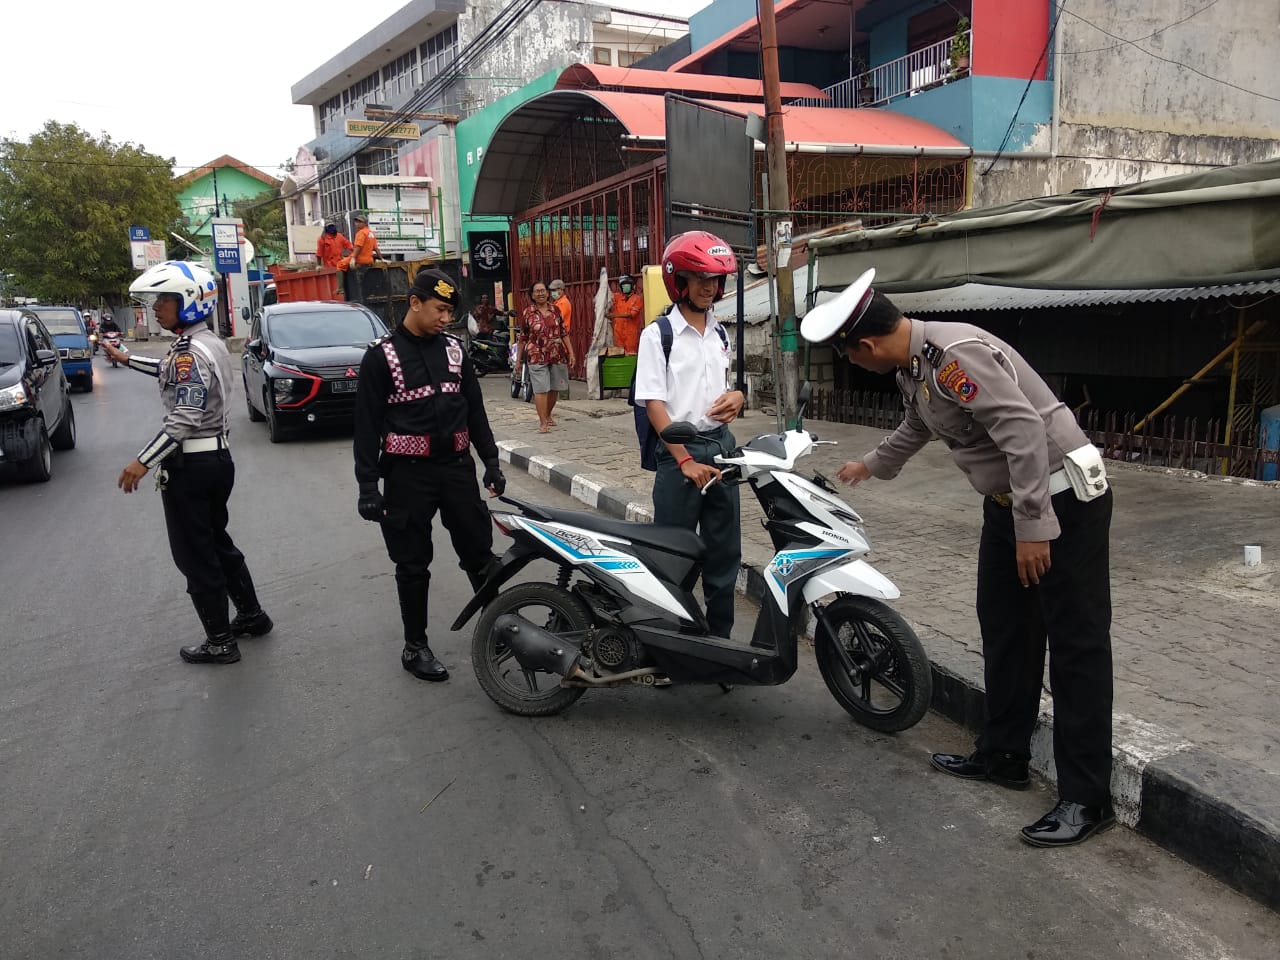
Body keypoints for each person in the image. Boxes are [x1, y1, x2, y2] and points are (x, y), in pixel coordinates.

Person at [803, 270, 1115, 848]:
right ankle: (1004, 756)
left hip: (1060, 501)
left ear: (865, 347)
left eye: (851, 357)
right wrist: (869, 465)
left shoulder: (954, 356)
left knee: (1076, 645)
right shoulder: (915, 366)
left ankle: (1087, 797)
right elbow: (921, 422)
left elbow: (1022, 429)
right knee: (1006, 630)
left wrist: (1033, 526)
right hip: (1012, 507)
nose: (858, 366)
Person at [101, 261, 273, 665]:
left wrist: (142, 462)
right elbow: (168, 371)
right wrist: (127, 360)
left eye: (164, 300)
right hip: (215, 460)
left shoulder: (189, 353)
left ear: (189, 303)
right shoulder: (205, 343)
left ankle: (220, 642)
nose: (157, 308)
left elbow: (185, 417)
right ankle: (251, 615)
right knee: (216, 541)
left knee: (196, 555)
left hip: (192, 468)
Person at [352, 268, 506, 682]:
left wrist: (490, 462)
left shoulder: (456, 351)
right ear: (414, 302)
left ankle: (501, 630)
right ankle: (415, 646)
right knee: (413, 563)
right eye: (439, 309)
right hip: (407, 476)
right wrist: (368, 486)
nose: (445, 318)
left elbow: (475, 411)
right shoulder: (380, 356)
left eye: (450, 311)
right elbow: (366, 427)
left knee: (479, 554)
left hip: (457, 470)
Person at [633, 231, 745, 640]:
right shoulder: (657, 335)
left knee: (724, 555)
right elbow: (654, 405)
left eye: (715, 279)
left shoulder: (720, 333)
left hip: (722, 449)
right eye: (698, 278)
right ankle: (674, 645)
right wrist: (684, 460)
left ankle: (720, 643)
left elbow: (725, 390)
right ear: (677, 280)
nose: (708, 287)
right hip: (678, 455)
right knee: (675, 558)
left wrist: (738, 398)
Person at [514, 280, 575, 434]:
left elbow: (563, 333)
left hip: (557, 354)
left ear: (548, 293)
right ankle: (542, 422)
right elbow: (523, 337)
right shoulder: (528, 312)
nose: (541, 293)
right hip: (536, 355)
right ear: (532, 295)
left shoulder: (556, 310)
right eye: (537, 291)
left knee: (555, 387)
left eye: (543, 290)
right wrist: (518, 361)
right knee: (541, 389)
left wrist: (571, 353)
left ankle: (548, 414)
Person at [608, 273, 644, 355]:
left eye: (627, 285)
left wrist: (614, 315)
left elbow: (631, 314)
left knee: (631, 355)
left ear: (632, 286)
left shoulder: (637, 299)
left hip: (630, 336)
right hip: (618, 335)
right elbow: (608, 297)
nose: (625, 287)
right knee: (619, 355)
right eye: (623, 285)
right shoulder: (618, 297)